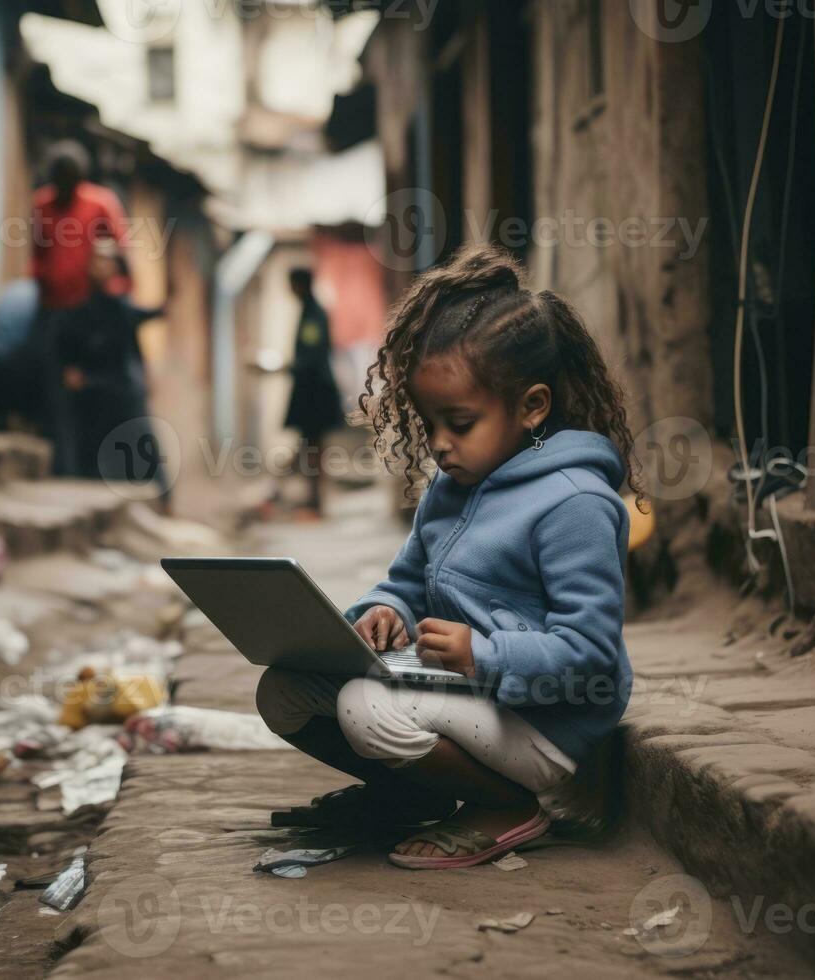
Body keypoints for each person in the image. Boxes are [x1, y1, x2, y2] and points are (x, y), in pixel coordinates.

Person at [255, 244, 642, 869]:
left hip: (542, 722)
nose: (439, 444)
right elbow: (406, 582)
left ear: (532, 407)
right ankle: (409, 797)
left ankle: (508, 807)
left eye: (459, 422)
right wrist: (386, 611)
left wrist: (482, 655)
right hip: (463, 696)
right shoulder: (449, 489)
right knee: (284, 692)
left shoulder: (576, 504)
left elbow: (591, 653)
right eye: (429, 422)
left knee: (363, 708)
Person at [30, 141, 131, 475]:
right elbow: (37, 253)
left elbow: (120, 254)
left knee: (105, 392)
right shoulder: (42, 205)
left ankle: (100, 469)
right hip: (54, 311)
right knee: (54, 391)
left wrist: (112, 299)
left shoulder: (99, 203)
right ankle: (65, 468)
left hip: (91, 317)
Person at [55, 238, 169, 504]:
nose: (100, 265)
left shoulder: (120, 308)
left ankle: (161, 502)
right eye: (96, 259)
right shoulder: (77, 309)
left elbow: (137, 332)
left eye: (107, 260)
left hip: (122, 391)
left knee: (141, 447)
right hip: (92, 393)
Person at [280, 268, 346, 520]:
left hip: (314, 392)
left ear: (300, 284)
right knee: (309, 448)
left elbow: (313, 353)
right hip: (313, 390)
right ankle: (312, 500)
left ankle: (316, 503)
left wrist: (289, 367)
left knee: (314, 450)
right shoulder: (310, 311)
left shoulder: (313, 314)